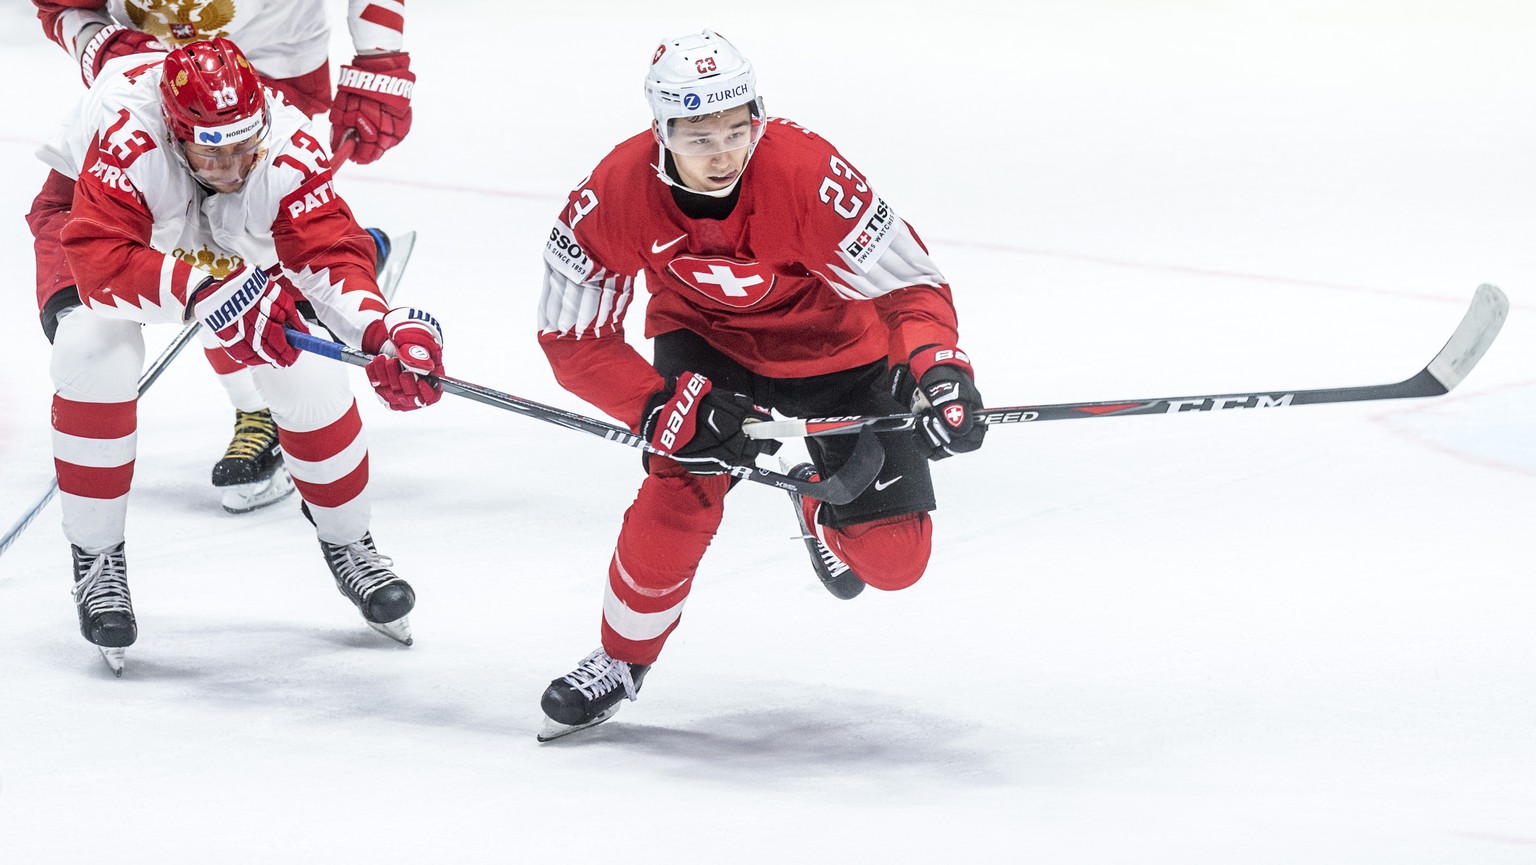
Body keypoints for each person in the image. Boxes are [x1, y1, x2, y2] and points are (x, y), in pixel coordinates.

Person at [533, 30, 987, 739]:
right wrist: (657, 407)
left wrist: (939, 368)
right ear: (661, 131)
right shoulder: (614, 193)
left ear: (757, 117)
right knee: (678, 489)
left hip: (838, 350)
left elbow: (911, 286)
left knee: (896, 560)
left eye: (736, 128)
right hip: (708, 348)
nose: (721, 152)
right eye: (697, 133)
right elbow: (572, 337)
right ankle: (621, 660)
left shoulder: (810, 175)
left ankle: (817, 501)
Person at [36, 37, 444, 674]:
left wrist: (381, 330)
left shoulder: (284, 147)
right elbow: (100, 260)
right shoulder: (130, 137)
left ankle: (350, 542)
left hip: (228, 235)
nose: (230, 163)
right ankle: (96, 559)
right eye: (210, 146)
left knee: (308, 371)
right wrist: (202, 290)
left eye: (242, 143)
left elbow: (331, 257)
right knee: (92, 350)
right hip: (96, 222)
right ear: (175, 132)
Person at [31, 0, 416, 513]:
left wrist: (378, 54)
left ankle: (317, 301)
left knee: (251, 238)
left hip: (271, 52)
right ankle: (310, 301)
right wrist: (98, 41)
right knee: (167, 269)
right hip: (149, 70)